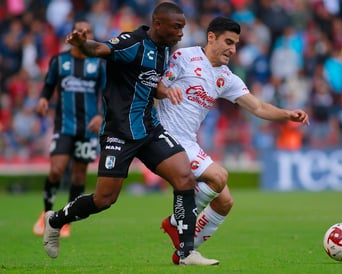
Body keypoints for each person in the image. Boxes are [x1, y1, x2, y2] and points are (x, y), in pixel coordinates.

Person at [42, 2, 218, 266]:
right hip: (119, 132)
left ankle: (186, 253)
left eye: (182, 27)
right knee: (104, 199)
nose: (182, 32)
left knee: (184, 178)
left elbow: (147, 78)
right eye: (177, 27)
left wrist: (164, 90)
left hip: (149, 129)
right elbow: (100, 49)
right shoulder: (131, 42)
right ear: (158, 24)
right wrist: (83, 44)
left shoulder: (163, 49)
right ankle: (55, 219)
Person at [157, 16, 309, 264]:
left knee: (225, 201)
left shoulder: (226, 77)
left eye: (236, 44)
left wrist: (287, 114)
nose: (232, 49)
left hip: (189, 142)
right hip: (169, 138)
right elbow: (157, 89)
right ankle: (177, 223)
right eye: (228, 41)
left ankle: (185, 251)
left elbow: (257, 107)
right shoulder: (184, 57)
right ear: (211, 37)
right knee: (219, 176)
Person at [33, 20, 106, 238]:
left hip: (87, 128)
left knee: (79, 175)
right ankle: (46, 212)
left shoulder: (99, 63)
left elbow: (107, 94)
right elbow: (48, 85)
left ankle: (65, 219)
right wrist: (43, 99)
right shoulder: (59, 61)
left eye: (89, 31)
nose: (84, 34)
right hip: (64, 125)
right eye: (80, 30)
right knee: (56, 170)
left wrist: (100, 115)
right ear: (72, 35)